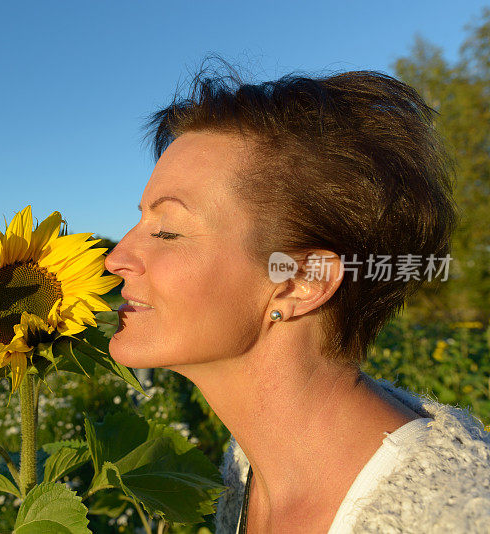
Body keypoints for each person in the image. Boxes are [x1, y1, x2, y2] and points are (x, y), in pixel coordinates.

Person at [103, 62, 490, 533]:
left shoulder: (453, 517)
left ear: (300, 280)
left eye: (167, 231)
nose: (116, 257)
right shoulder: (248, 467)